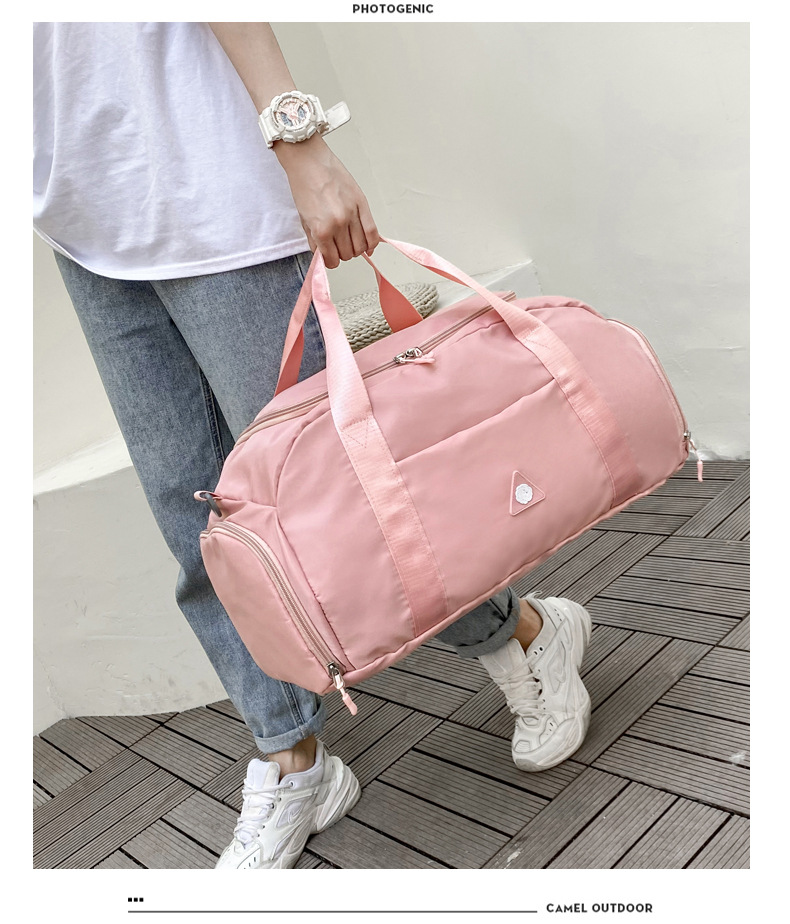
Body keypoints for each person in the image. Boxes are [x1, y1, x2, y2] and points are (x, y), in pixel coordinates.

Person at [33, 22, 593, 870]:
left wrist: (300, 141)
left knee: (351, 503)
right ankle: (294, 759)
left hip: (207, 188)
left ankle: (522, 635)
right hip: (84, 227)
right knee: (200, 528)